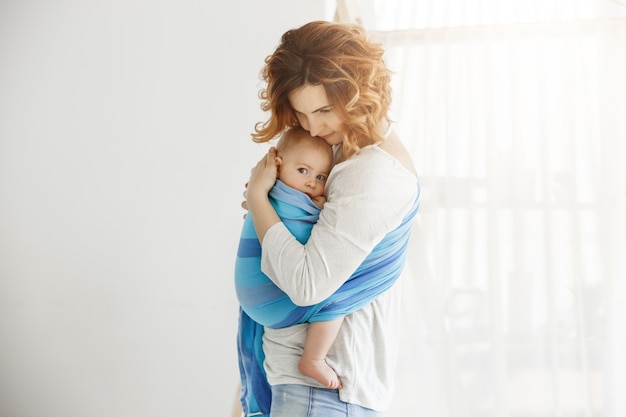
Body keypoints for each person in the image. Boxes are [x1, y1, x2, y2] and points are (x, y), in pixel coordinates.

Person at [238, 20, 421, 417]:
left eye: (324, 110)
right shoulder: (340, 156)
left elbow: (306, 286)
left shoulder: (371, 173)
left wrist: (258, 199)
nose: (314, 128)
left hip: (324, 390)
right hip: (310, 387)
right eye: (303, 114)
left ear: (360, 92)